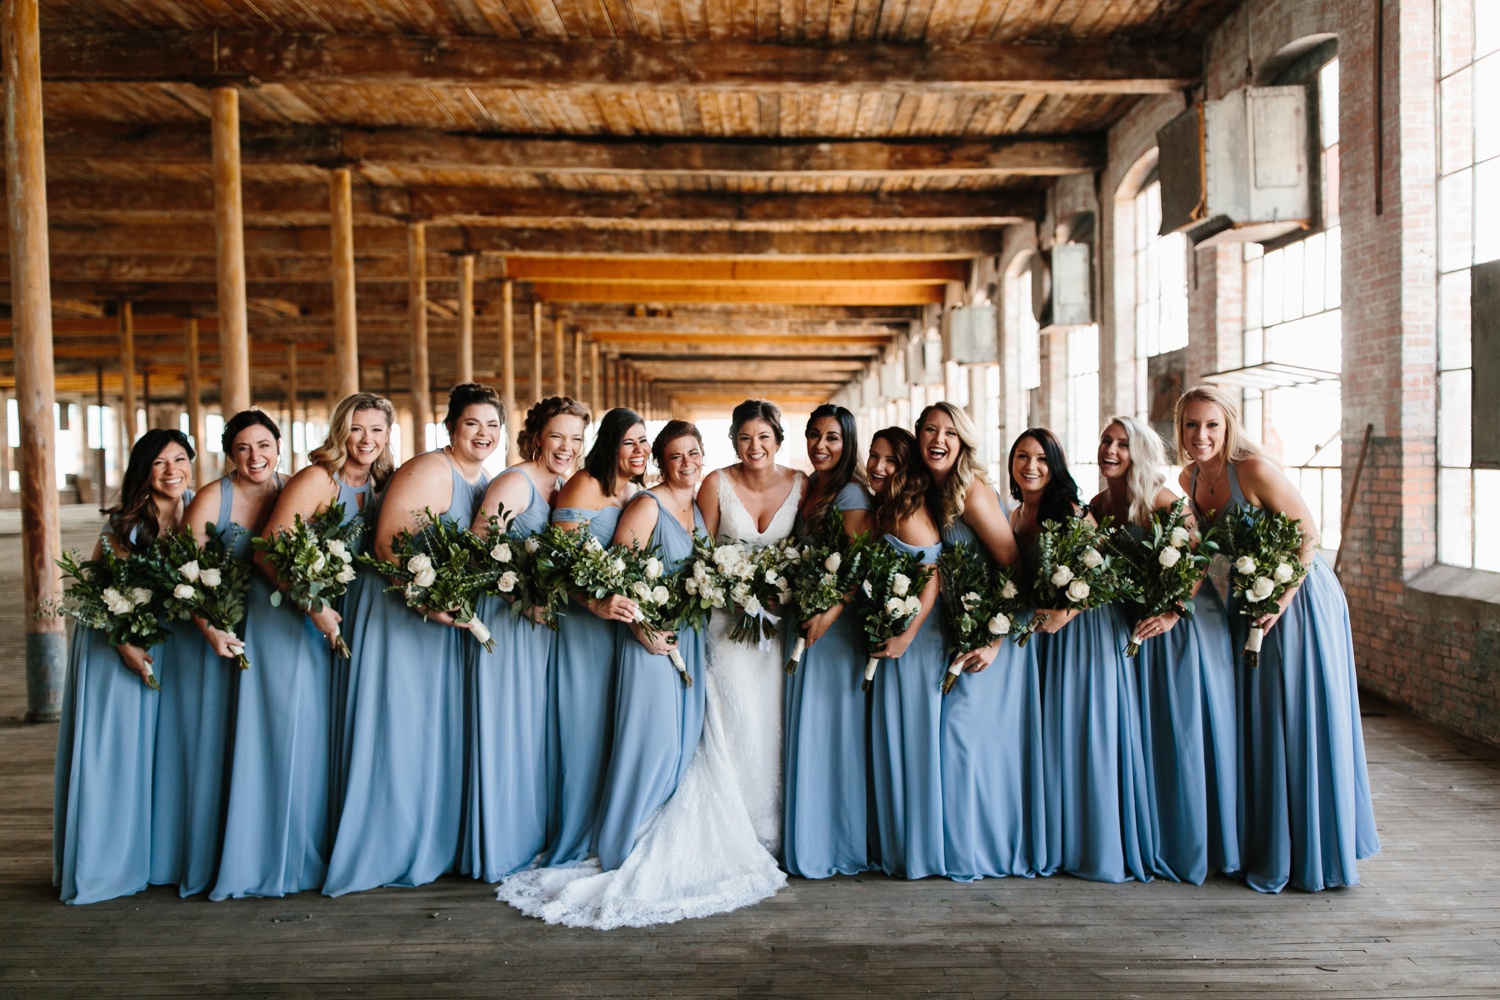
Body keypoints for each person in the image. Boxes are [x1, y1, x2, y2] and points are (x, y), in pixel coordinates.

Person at [498, 413, 791, 927]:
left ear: (704, 457)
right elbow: (617, 573)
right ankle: (624, 841)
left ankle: (649, 827)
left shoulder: (694, 507)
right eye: (673, 455)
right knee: (649, 743)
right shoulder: (645, 503)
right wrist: (639, 628)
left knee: (680, 746)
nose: (686, 463)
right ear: (661, 462)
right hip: (647, 639)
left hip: (691, 638)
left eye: (693, 454)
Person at [1176, 384, 1378, 892]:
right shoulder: (1188, 478)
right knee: (1260, 721)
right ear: (1179, 431)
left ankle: (1312, 849)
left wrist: (1280, 600)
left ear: (1228, 425)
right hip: (1249, 604)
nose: (1201, 436)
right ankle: (1266, 843)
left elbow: (1308, 534)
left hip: (1299, 600)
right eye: (1191, 425)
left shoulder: (1255, 471)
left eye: (1211, 425)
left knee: (1295, 715)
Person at [211, 395, 393, 899]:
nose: (367, 440)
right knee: (284, 734)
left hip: (337, 620)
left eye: (377, 431)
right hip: (287, 614)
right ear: (340, 431)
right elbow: (268, 547)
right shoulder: (318, 480)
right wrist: (311, 606)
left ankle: (316, 851)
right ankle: (272, 860)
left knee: (320, 741)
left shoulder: (378, 484)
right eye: (357, 429)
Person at [324, 383, 501, 896]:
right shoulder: (429, 468)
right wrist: (429, 598)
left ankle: (428, 838)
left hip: (437, 619)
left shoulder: (481, 479)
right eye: (472, 423)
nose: (483, 433)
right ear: (450, 428)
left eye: (492, 425)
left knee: (427, 731)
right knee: (395, 727)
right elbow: (385, 545)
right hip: (397, 615)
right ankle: (385, 845)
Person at [1089, 414, 1238, 885]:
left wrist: (1175, 610)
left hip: (1184, 624)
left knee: (1187, 733)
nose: (1111, 451)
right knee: (1155, 736)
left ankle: (1199, 844)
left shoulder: (1160, 497)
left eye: (1122, 444)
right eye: (1106, 442)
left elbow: (1196, 556)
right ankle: (1160, 836)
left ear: (1139, 452)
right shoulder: (1096, 504)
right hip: (1140, 626)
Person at [54, 428, 195, 904]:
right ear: (143, 470)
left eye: (180, 459)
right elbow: (98, 591)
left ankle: (161, 858)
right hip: (118, 643)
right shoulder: (127, 522)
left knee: (166, 751)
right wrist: (124, 645)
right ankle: (105, 862)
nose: (172, 470)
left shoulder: (199, 509)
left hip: (170, 644)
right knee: (118, 750)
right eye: (159, 463)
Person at [1010, 427, 1154, 883]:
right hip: (1043, 638)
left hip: (1086, 631)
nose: (1031, 466)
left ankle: (1098, 847)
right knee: (1054, 738)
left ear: (1055, 467)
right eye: (1022, 457)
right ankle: (1060, 839)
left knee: (1088, 733)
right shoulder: (1014, 516)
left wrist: (1067, 614)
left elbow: (1103, 570)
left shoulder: (1074, 512)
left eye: (1041, 459)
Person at [154, 410, 284, 898]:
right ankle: (209, 852)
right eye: (244, 448)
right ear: (231, 454)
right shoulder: (214, 497)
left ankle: (264, 844)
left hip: (272, 633)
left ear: (278, 445)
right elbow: (182, 572)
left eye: (264, 445)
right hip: (213, 631)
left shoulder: (292, 489)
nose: (256, 457)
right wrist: (209, 628)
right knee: (212, 742)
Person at [917, 401, 1046, 880]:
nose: (939, 439)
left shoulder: (970, 490)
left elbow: (1015, 569)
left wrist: (995, 639)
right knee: (956, 744)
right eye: (930, 430)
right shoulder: (926, 491)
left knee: (967, 742)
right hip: (954, 634)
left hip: (992, 635)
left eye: (950, 432)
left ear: (963, 441)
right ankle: (956, 846)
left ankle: (980, 851)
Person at [463, 396, 588, 882]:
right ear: (537, 437)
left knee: (533, 733)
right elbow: (478, 545)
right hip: (508, 620)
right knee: (506, 729)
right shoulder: (516, 481)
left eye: (577, 439)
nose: (567, 447)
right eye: (558, 436)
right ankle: (498, 846)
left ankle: (530, 836)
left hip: (541, 626)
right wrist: (524, 592)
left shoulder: (561, 484)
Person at [538, 407, 649, 866]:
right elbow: (556, 560)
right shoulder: (585, 483)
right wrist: (596, 603)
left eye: (644, 442)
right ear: (609, 445)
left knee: (611, 728)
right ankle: (576, 831)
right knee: (582, 727)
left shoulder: (637, 493)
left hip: (619, 630)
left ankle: (611, 825)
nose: (640, 451)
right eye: (629, 442)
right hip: (584, 626)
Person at [782, 404, 874, 879]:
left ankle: (834, 841)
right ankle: (808, 835)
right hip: (807, 616)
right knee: (810, 729)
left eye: (833, 438)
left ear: (849, 442)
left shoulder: (852, 492)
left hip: (834, 628)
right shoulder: (813, 485)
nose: (821, 445)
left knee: (831, 730)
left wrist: (828, 614)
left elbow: (859, 565)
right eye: (814, 435)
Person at [866, 426, 947, 879]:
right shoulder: (886, 505)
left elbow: (931, 577)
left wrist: (906, 637)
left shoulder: (910, 511)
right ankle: (896, 846)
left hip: (916, 639)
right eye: (874, 457)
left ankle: (916, 852)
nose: (878, 466)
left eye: (890, 460)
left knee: (913, 739)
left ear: (906, 467)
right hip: (897, 632)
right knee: (893, 738)